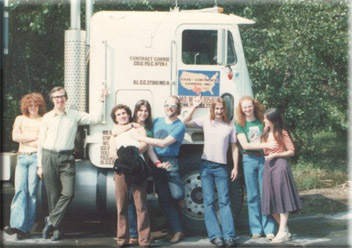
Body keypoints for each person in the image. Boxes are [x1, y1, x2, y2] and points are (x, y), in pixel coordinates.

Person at [37, 86, 108, 241]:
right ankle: (57, 230)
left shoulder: (74, 115)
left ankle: (51, 219)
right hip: (49, 157)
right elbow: (41, 142)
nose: (59, 99)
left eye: (62, 96)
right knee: (53, 195)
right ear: (52, 100)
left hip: (67, 158)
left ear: (66, 98)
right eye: (56, 97)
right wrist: (40, 165)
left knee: (68, 193)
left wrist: (101, 100)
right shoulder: (47, 117)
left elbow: (95, 118)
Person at [183, 96, 239, 247]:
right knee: (208, 202)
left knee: (224, 201)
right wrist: (194, 106)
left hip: (221, 167)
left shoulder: (230, 126)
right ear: (212, 109)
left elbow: (234, 147)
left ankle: (229, 236)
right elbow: (185, 122)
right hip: (206, 166)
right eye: (217, 109)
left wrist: (235, 167)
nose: (219, 111)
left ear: (224, 110)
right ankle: (215, 236)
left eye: (222, 109)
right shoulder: (206, 121)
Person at [134, 96, 185, 243]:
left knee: (176, 195)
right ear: (164, 107)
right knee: (164, 199)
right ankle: (177, 231)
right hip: (157, 163)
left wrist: (141, 138)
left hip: (171, 162)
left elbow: (163, 143)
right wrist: (156, 162)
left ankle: (181, 201)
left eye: (173, 105)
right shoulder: (156, 121)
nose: (170, 107)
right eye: (167, 104)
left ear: (177, 108)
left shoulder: (179, 126)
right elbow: (150, 143)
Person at [3, 93, 46, 240]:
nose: (33, 107)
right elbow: (15, 137)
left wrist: (26, 139)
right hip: (22, 157)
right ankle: (16, 226)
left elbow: (42, 143)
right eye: (30, 105)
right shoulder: (20, 119)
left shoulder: (43, 120)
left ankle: (26, 228)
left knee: (31, 194)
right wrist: (34, 138)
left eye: (36, 105)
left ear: (40, 106)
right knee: (20, 191)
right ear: (26, 106)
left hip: (35, 158)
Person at [110, 100, 153, 246]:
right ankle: (122, 239)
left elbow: (144, 145)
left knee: (141, 206)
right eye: (118, 114)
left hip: (137, 169)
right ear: (115, 118)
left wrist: (133, 154)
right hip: (121, 170)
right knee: (121, 206)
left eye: (124, 113)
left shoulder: (139, 129)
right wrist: (124, 158)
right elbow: (111, 152)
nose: (122, 116)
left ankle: (144, 240)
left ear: (129, 114)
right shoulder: (114, 132)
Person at [235, 96, 277, 240]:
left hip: (263, 159)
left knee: (265, 194)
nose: (247, 109)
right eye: (244, 107)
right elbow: (245, 145)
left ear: (254, 106)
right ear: (241, 109)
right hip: (249, 159)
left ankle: (269, 228)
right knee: (252, 196)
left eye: (249, 106)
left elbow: (270, 136)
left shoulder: (261, 120)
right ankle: (256, 229)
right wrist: (266, 145)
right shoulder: (239, 124)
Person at [261, 108, 302, 243]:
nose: (264, 120)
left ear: (273, 120)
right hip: (268, 167)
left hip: (279, 166)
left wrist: (276, 154)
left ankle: (281, 231)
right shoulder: (265, 132)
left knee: (282, 199)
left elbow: (291, 151)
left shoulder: (282, 132)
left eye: (266, 118)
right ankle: (284, 229)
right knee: (270, 202)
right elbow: (263, 149)